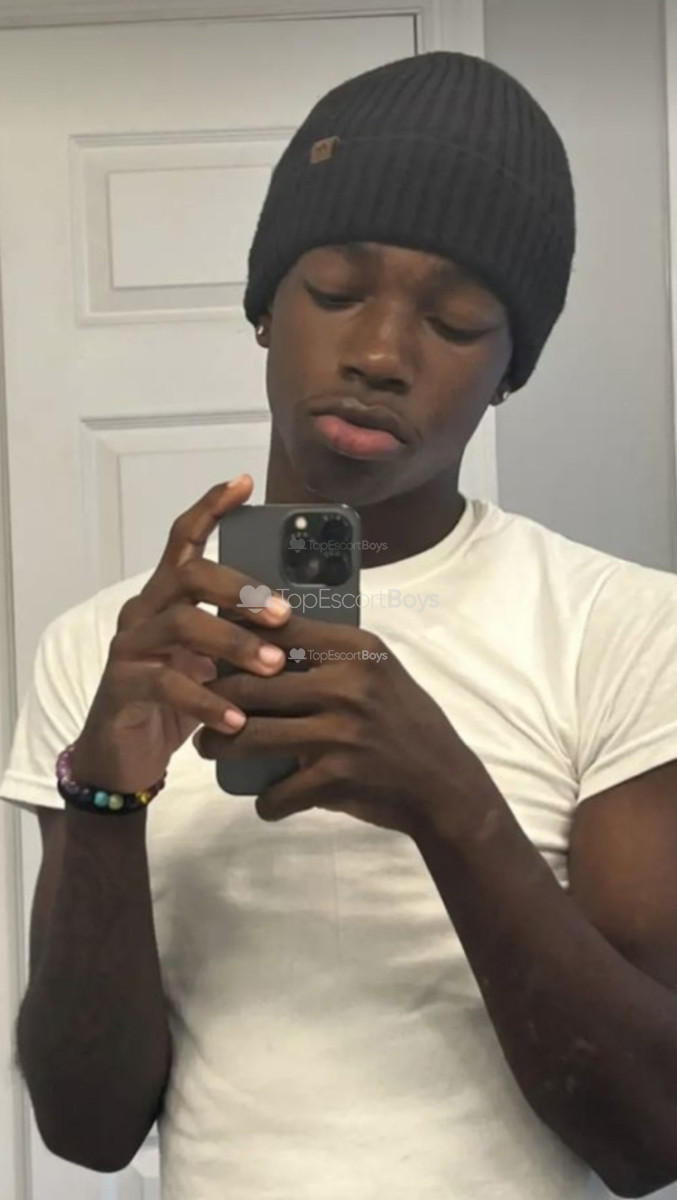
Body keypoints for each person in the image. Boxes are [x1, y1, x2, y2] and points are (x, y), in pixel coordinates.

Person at [3, 49, 677, 1200]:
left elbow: (647, 1138)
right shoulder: (101, 653)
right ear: (265, 309)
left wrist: (448, 802)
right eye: (333, 292)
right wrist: (104, 801)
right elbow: (87, 1129)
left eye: (455, 321)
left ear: (508, 372)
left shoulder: (625, 631)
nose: (377, 356)